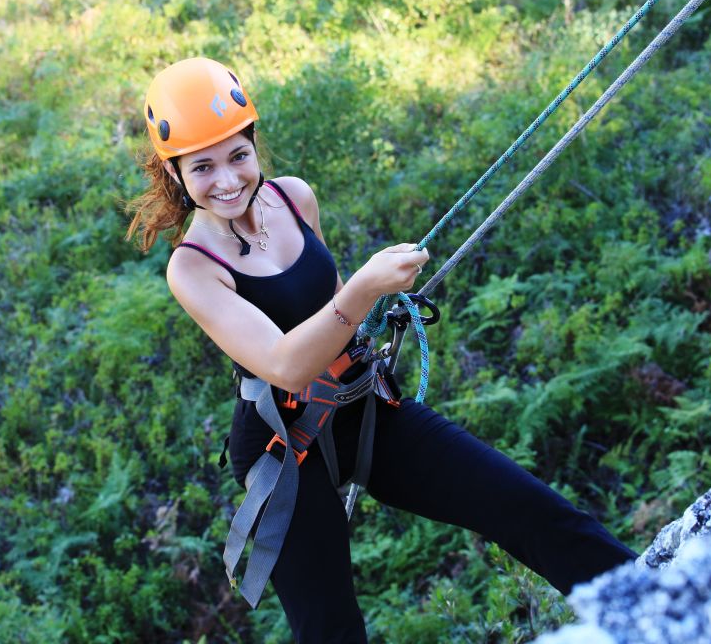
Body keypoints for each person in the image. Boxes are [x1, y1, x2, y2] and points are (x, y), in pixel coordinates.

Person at [126, 57, 636, 642]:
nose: (228, 180)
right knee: (332, 631)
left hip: (360, 400)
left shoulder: (293, 199)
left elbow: (329, 300)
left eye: (238, 155)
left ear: (254, 143)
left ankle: (659, 603)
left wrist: (365, 306)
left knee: (526, 507)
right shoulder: (192, 269)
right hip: (283, 446)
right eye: (203, 167)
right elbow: (286, 364)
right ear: (174, 171)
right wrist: (368, 287)